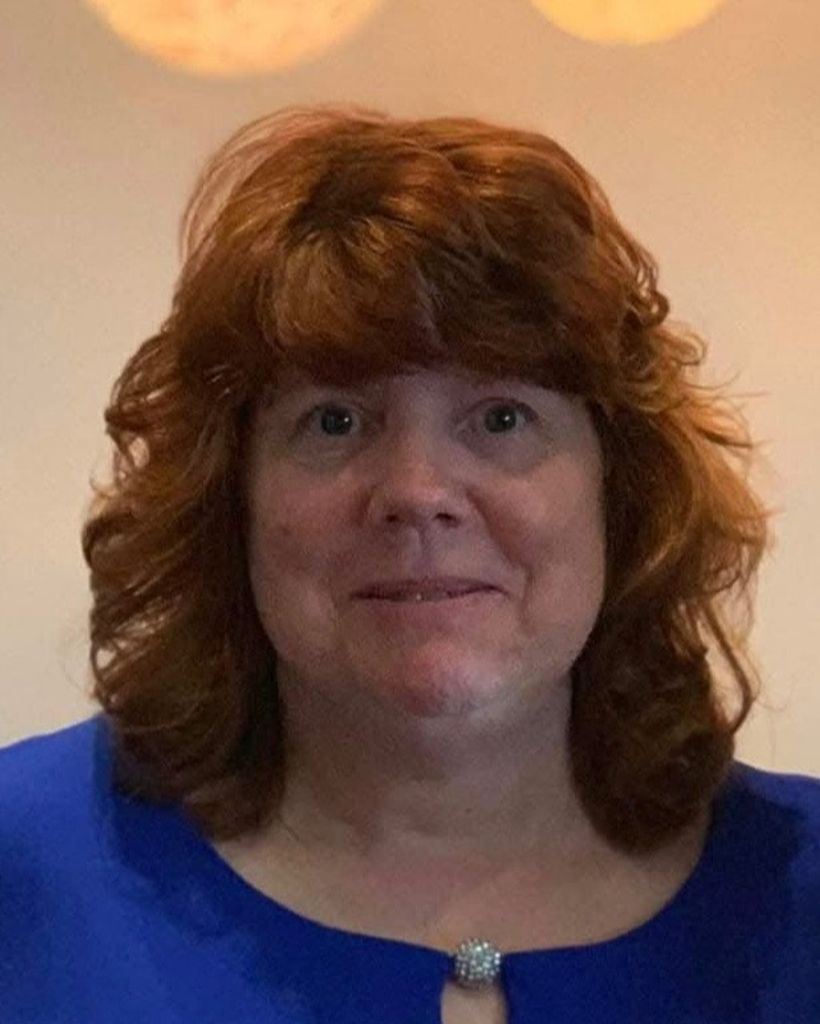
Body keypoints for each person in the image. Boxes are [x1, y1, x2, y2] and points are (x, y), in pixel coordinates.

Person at [1, 103, 818, 1024]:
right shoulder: (21, 866)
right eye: (335, 420)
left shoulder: (801, 901)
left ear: (620, 493)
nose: (417, 491)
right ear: (229, 499)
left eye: (501, 418)